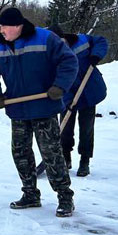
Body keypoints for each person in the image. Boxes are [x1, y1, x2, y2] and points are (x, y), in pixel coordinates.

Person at [0, 8, 78, 217]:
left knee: (51, 153)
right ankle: (30, 193)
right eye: (0, 26)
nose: (1, 30)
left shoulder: (45, 38)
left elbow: (69, 61)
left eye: (4, 26)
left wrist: (60, 86)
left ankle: (65, 197)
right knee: (20, 153)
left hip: (44, 106)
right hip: (17, 109)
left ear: (18, 26)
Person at [49, 26, 108, 177]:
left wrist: (96, 55)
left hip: (89, 92)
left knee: (86, 128)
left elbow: (101, 41)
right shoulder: (51, 54)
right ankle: (66, 158)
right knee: (65, 129)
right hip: (67, 94)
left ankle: (85, 161)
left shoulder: (82, 41)